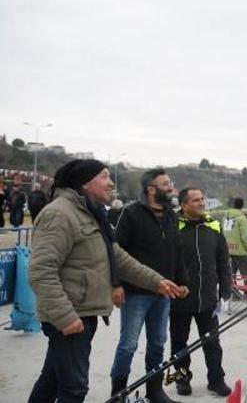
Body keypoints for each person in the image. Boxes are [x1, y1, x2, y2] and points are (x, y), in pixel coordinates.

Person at [27, 159, 183, 403]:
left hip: (82, 314)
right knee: (74, 388)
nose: (111, 183)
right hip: (70, 316)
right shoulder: (59, 214)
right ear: (85, 184)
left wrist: (156, 281)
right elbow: (41, 270)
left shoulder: (91, 214)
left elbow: (118, 258)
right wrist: (65, 316)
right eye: (104, 177)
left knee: (52, 379)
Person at [110, 168, 189, 403]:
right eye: (166, 184)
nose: (171, 187)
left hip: (163, 293)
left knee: (157, 343)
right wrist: (116, 284)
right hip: (135, 294)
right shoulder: (131, 213)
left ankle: (154, 391)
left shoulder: (171, 216)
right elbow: (116, 252)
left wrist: (182, 280)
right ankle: (118, 394)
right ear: (151, 189)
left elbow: (177, 250)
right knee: (128, 345)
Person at [170, 188, 233, 397]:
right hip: (179, 298)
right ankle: (182, 379)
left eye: (202, 199)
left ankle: (216, 380)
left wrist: (225, 291)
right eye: (196, 200)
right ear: (184, 205)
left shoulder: (213, 226)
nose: (201, 203)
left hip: (208, 299)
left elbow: (224, 262)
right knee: (179, 343)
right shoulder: (173, 227)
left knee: (212, 342)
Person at [223, 197, 247, 280]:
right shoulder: (241, 218)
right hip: (241, 252)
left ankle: (233, 291)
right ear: (242, 206)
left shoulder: (225, 217)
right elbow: (245, 237)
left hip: (229, 250)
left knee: (231, 274)